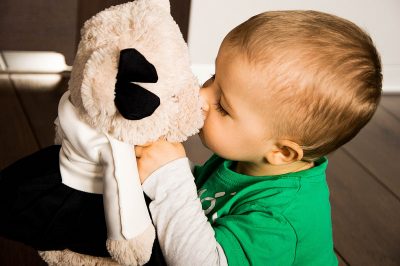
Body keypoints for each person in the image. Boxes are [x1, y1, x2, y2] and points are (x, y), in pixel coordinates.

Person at [135, 10, 382, 266]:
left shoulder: (281, 218)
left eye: (223, 107)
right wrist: (166, 165)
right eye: (213, 77)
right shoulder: (248, 157)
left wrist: (170, 180)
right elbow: (205, 197)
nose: (201, 96)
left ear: (282, 152)